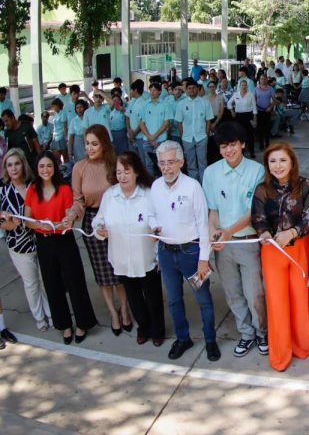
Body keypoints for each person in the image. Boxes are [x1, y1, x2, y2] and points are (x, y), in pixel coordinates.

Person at [149, 140, 219, 362]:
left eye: (171, 162)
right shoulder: (155, 186)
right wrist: (154, 226)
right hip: (166, 253)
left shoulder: (192, 187)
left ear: (181, 162)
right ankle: (183, 338)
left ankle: (210, 341)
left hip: (191, 254)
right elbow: (151, 214)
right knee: (174, 300)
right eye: (162, 163)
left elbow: (203, 225)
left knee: (203, 300)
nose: (166, 168)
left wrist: (203, 259)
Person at [203, 122, 269, 358]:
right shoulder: (211, 173)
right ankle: (246, 334)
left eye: (232, 144)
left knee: (254, 294)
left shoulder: (257, 171)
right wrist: (213, 231)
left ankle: (262, 332)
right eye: (223, 146)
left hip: (248, 242)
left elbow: (255, 211)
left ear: (242, 144)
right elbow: (213, 210)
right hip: (224, 245)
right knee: (233, 293)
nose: (228, 150)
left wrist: (229, 232)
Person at [251, 143, 309, 372]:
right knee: (276, 301)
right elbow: (258, 218)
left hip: (300, 247)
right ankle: (280, 353)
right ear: (267, 165)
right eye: (272, 161)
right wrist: (264, 233)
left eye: (282, 160)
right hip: (272, 250)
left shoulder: (305, 185)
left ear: (292, 162)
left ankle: (300, 346)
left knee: (300, 298)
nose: (277, 166)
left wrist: (293, 232)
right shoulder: (262, 189)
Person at [23, 151, 98, 344]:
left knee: (75, 282)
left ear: (55, 168)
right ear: (36, 169)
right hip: (43, 241)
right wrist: (41, 226)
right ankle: (64, 325)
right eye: (41, 166)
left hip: (64, 240)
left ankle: (83, 323)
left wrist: (57, 225)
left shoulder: (64, 189)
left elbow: (68, 220)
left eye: (49, 166)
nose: (45, 170)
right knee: (52, 284)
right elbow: (27, 219)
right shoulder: (33, 190)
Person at [65, 124, 133, 335]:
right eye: (87, 143)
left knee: (119, 270)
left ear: (104, 144)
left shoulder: (115, 164)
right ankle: (113, 313)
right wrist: (71, 215)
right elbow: (78, 200)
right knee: (103, 273)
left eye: (94, 144)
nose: (89, 148)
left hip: (117, 221)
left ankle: (125, 310)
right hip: (92, 221)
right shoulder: (79, 168)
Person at [93, 152, 165, 346]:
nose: (122, 176)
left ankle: (157, 330)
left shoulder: (148, 194)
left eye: (127, 171)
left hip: (147, 257)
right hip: (122, 257)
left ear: (136, 172)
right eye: (119, 172)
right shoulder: (110, 195)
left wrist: (158, 243)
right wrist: (100, 229)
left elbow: (158, 223)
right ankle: (143, 327)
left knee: (153, 297)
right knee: (134, 297)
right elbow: (97, 221)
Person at [0, 149, 51, 331]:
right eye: (9, 165)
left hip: (41, 240)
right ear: (6, 168)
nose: (14, 168)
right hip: (19, 246)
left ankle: (51, 314)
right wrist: (9, 224)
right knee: (31, 284)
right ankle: (40, 318)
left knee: (46, 280)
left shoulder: (35, 186)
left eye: (17, 163)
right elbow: (3, 224)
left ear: (23, 165)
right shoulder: (3, 192)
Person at [175, 78, 214, 182]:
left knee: (203, 163)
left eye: (193, 88)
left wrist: (206, 134)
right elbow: (179, 121)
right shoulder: (181, 104)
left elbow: (208, 120)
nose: (191, 90)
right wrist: (182, 135)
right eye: (189, 88)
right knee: (191, 165)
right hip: (187, 138)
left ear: (197, 89)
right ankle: (194, 185)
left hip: (202, 137)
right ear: (186, 90)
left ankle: (203, 185)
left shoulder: (204, 102)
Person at [138, 82, 173, 176]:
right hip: (147, 140)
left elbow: (167, 123)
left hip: (161, 140)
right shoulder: (145, 105)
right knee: (149, 164)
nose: (152, 92)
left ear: (160, 92)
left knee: (162, 163)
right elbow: (141, 123)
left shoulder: (165, 105)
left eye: (154, 90)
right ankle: (151, 182)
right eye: (151, 90)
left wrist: (154, 136)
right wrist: (150, 137)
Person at [228, 80, 257, 157]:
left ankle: (252, 152)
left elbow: (254, 107)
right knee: (240, 136)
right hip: (238, 117)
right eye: (242, 85)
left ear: (247, 86)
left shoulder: (251, 95)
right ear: (239, 86)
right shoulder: (236, 94)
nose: (244, 87)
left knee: (250, 135)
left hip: (248, 116)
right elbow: (229, 103)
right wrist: (232, 111)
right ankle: (241, 153)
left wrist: (255, 119)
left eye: (245, 85)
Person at [254, 74, 276, 151]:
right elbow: (254, 100)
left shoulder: (271, 89)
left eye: (264, 79)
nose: (263, 80)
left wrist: (271, 107)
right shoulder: (256, 89)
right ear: (259, 80)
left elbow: (274, 100)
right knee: (260, 128)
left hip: (267, 110)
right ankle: (261, 144)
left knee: (267, 127)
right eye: (261, 79)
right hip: (259, 111)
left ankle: (267, 142)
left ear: (267, 79)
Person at [68, 100, 89, 164]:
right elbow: (71, 137)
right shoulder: (74, 121)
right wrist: (70, 152)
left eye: (81, 107)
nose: (79, 109)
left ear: (85, 107)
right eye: (77, 108)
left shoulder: (89, 118)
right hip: (78, 145)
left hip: (88, 141)